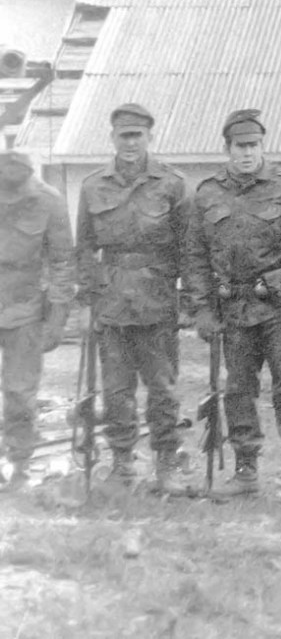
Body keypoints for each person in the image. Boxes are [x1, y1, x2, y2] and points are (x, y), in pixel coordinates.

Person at [185, 108, 281, 503]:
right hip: (233, 310)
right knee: (238, 391)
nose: (247, 153)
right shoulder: (208, 193)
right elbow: (195, 256)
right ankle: (245, 469)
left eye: (253, 145)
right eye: (239, 146)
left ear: (262, 146)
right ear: (227, 148)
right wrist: (201, 309)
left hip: (279, 309)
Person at [75, 104, 190, 495]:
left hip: (157, 303)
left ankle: (167, 464)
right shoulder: (93, 186)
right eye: (123, 136)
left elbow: (189, 248)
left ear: (149, 138)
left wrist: (189, 301)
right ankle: (122, 465)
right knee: (116, 390)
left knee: (163, 390)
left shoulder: (172, 183)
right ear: (112, 138)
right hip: (111, 305)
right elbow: (84, 248)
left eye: (137, 136)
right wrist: (90, 299)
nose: (130, 143)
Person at [0, 145, 74, 492]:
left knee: (19, 392)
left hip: (24, 309)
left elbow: (62, 262)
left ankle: (20, 465)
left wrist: (57, 317)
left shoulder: (49, 200)